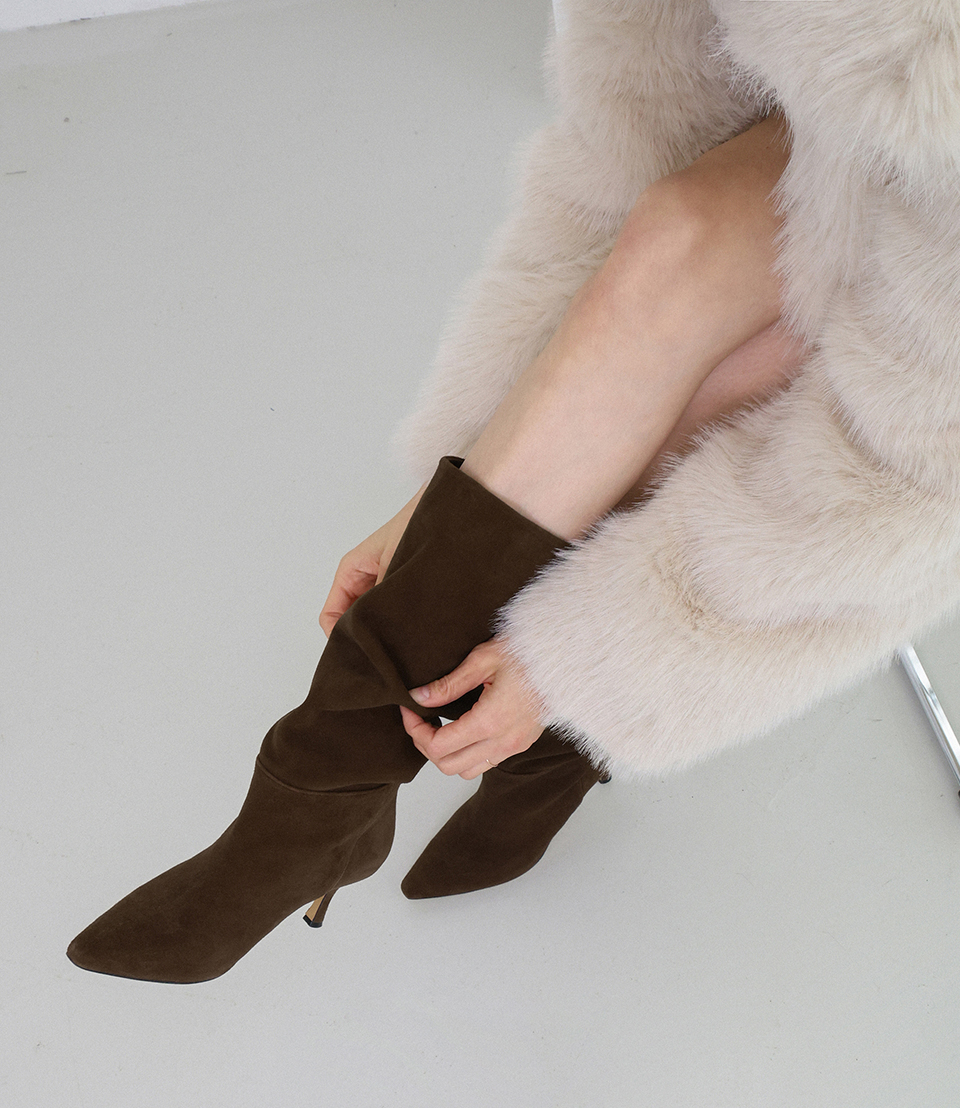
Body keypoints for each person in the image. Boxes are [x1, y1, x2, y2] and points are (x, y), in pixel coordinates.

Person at [67, 0, 960, 983]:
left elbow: (907, 480)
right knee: (677, 232)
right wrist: (455, 492)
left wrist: (586, 659)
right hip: (869, 145)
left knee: (752, 365)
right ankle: (337, 790)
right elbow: (622, 170)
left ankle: (366, 785)